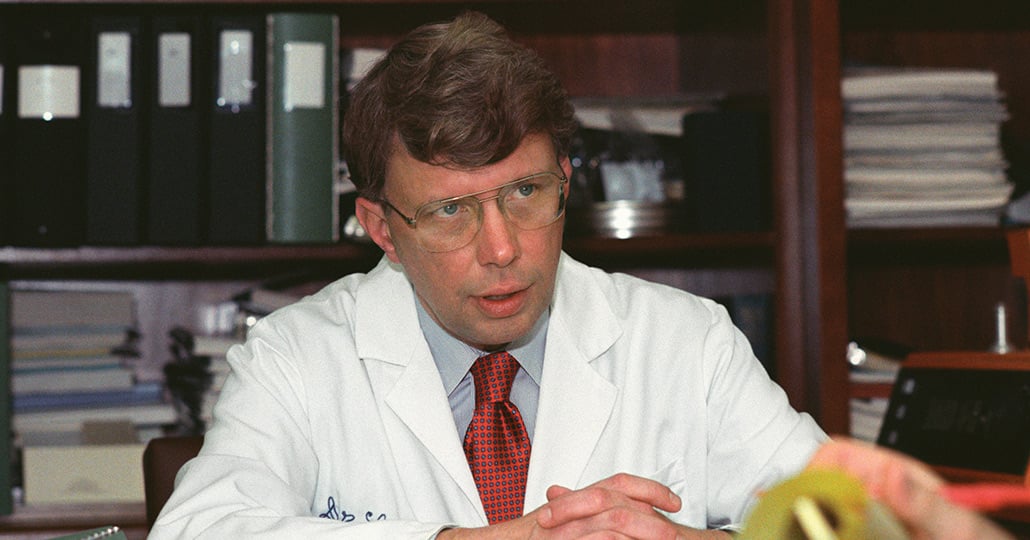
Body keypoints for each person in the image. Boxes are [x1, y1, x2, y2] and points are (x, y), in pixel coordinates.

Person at [149, 11, 827, 539]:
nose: (501, 249)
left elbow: (852, 519)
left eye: (526, 193)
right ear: (382, 227)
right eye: (450, 211)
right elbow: (200, 530)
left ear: (565, 182)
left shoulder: (685, 341)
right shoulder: (295, 359)